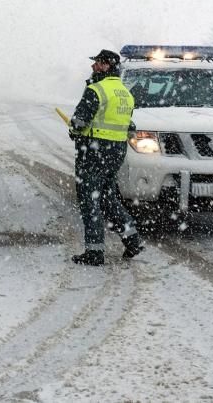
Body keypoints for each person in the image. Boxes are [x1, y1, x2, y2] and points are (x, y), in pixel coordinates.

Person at [68, 49, 145, 266]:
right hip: (116, 152)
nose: (93, 67)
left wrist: (74, 130)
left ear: (106, 66)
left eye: (97, 63)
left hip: (94, 152)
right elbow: (129, 127)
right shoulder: (125, 93)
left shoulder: (96, 90)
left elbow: (80, 122)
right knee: (107, 199)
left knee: (89, 201)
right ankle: (133, 240)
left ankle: (94, 252)